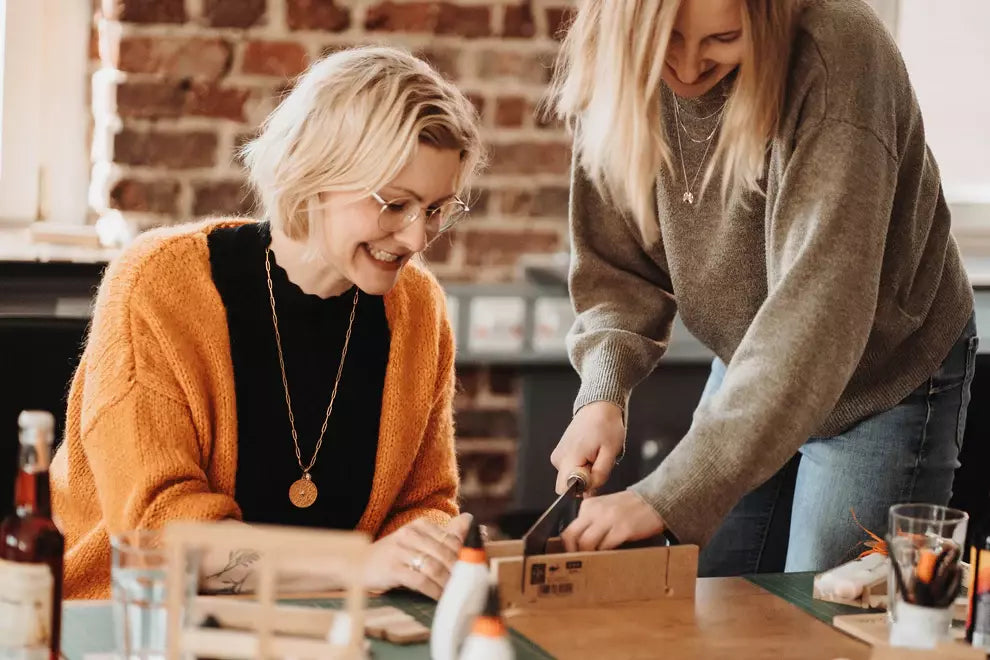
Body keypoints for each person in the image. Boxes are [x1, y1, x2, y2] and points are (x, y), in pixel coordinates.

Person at [547, 0, 978, 576]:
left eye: (723, 39)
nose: (691, 67)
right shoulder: (614, 62)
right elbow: (617, 273)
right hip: (755, 359)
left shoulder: (839, 55)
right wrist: (603, 391)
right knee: (714, 594)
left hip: (881, 374)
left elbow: (818, 317)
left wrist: (665, 496)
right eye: (668, 39)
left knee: (824, 608)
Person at [50, 46, 484, 599]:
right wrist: (357, 565)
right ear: (315, 172)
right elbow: (157, 532)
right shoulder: (157, 284)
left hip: (327, 631)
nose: (416, 239)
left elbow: (421, 505)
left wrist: (436, 545)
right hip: (133, 627)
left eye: (436, 209)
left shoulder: (419, 309)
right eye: (394, 204)